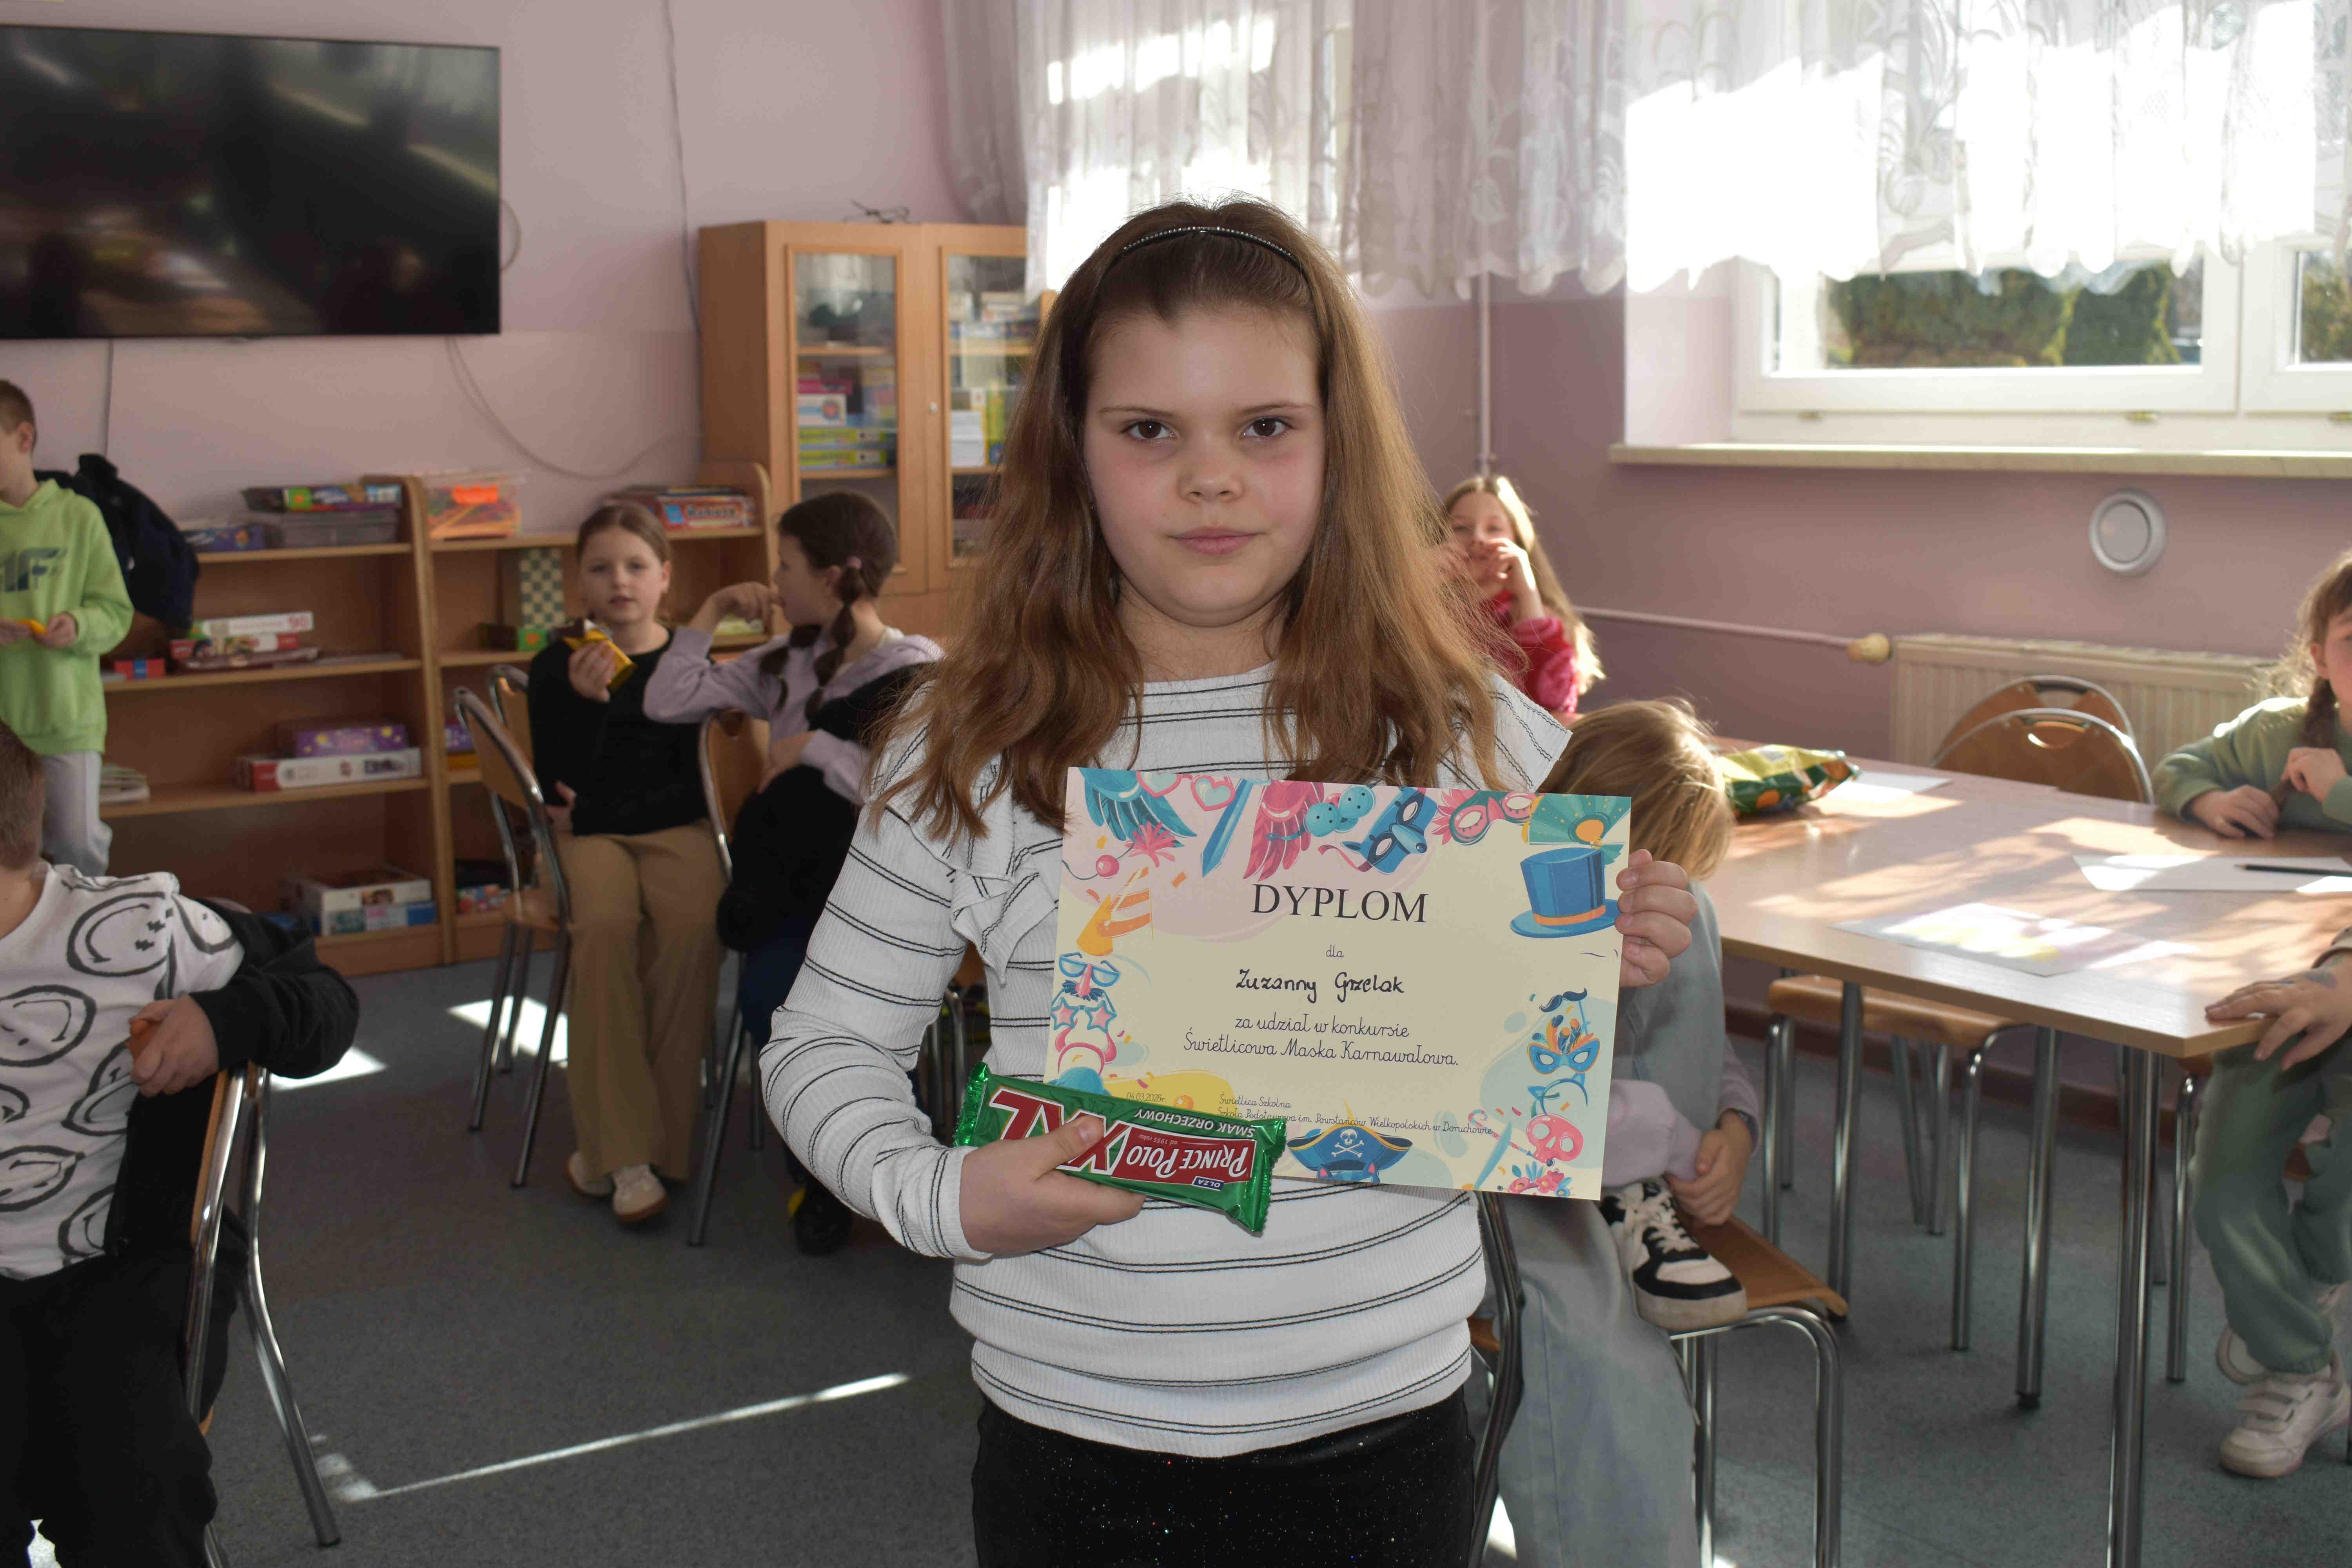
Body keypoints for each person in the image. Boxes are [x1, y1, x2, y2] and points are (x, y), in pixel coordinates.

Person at [760, 198, 1699, 1565]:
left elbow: (1513, 1042)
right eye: (1149, 430)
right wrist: (943, 1194)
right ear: (1072, 453)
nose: (1211, 479)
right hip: (1075, 1434)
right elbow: (822, 1048)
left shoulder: (1458, 729)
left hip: (1388, 1430)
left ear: (1336, 445)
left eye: (1264, 426)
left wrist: (1594, 954)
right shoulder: (968, 743)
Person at [0, 717, 360, 1566]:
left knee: (137, 1493)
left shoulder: (137, 929)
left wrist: (224, 1018)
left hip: (120, 1271)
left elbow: (326, 1000)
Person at [641, 491, 941, 1253]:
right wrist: (709, 612)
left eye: (785, 566)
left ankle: (892, 1161)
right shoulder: (786, 661)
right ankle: (824, 1170)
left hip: (883, 894)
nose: (775, 583)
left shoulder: (915, 668)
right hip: (791, 892)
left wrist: (811, 748)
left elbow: (908, 791)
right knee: (774, 1000)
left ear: (833, 577)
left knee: (873, 1009)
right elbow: (667, 699)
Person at [1498, 698, 1756, 1568]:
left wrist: (1734, 1132)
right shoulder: (1520, 915)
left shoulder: (1687, 915)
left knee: (1613, 1371)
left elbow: (1719, 1054)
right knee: (1598, 1361)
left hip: (1640, 1193)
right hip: (1521, 1198)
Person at [2153, 550, 2352, 1475]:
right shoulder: (2279, 732)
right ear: (2320, 656)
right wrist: (2209, 795)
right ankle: (2300, 1358)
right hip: (2274, 1002)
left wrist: (2340, 791)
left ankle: (2301, 1295)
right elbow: (2178, 766)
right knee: (2225, 1177)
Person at [526, 504, 725, 1227]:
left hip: (671, 831)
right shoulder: (556, 664)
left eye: (636, 566)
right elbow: (563, 791)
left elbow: (695, 787)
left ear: (664, 578)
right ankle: (623, 1156)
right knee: (606, 927)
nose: (620, 582)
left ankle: (662, 1143)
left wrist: (606, 805)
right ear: (578, 582)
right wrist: (588, 706)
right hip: (592, 840)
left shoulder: (690, 664)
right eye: (601, 568)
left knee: (694, 926)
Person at [0, 380, 133, 877]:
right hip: (2, 726)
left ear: (24, 438)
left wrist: (76, 625)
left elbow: (115, 612)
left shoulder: (80, 517)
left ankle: (85, 928)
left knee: (78, 845)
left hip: (66, 719)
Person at [2154, 546, 2352, 840]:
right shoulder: (2271, 731)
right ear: (2320, 659)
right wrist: (2211, 803)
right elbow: (2174, 771)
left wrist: (2339, 793)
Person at [1443, 473, 1599, 720]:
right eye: (1461, 528)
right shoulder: (1429, 608)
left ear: (1518, 541)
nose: (1478, 538)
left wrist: (1529, 597)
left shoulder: (1541, 618)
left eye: (1494, 528)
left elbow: (1554, 706)